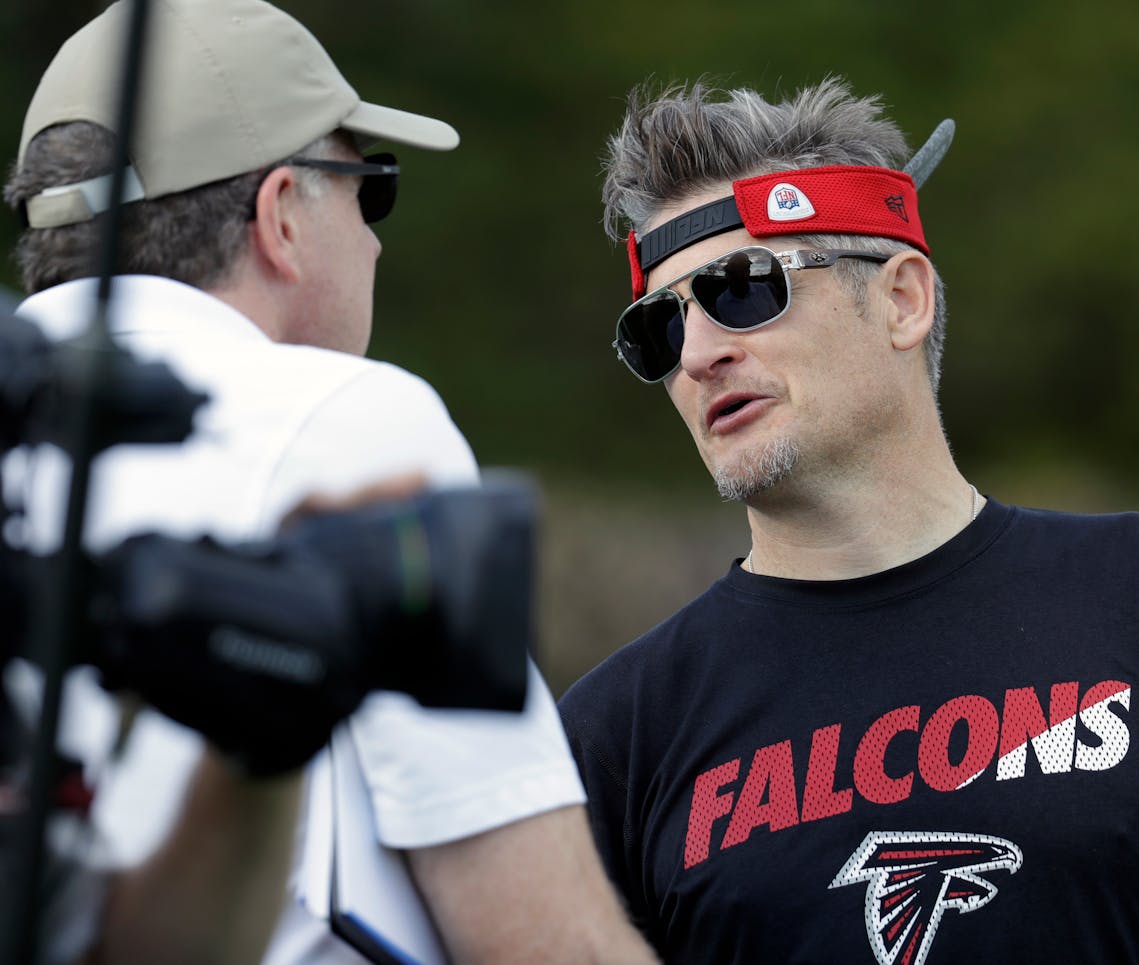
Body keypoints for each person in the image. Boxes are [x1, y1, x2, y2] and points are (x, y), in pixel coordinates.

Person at [558, 78, 1139, 964]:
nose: (702, 355)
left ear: (903, 300)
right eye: (659, 331)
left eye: (743, 287)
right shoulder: (615, 734)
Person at [3, 1, 655, 962]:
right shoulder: (349, 416)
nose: (379, 240)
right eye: (370, 188)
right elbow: (546, 942)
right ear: (278, 216)